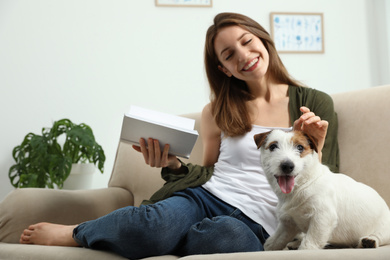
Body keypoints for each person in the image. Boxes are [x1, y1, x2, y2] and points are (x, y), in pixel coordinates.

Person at [19, 12, 339, 258]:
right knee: (156, 225)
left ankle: (153, 237)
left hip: (259, 223)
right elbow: (210, 171)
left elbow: (328, 180)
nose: (242, 55)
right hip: (204, 198)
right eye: (228, 54)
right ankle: (77, 233)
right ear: (224, 69)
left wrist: (316, 145)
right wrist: (173, 165)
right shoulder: (217, 110)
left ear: (262, 38)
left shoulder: (313, 103)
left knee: (220, 238)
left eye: (245, 41)